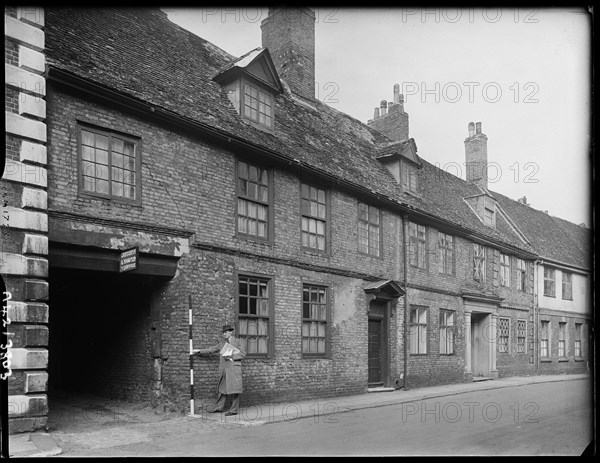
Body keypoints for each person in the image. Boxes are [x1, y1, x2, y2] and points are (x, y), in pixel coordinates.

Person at [193, 325, 246, 416]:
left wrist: (231, 356)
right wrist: (198, 351)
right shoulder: (222, 343)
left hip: (234, 369)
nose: (224, 334)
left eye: (226, 332)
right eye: (223, 332)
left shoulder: (238, 342)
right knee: (222, 388)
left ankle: (234, 410)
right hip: (225, 369)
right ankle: (219, 407)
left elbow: (243, 354)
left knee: (234, 390)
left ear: (231, 332)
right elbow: (212, 349)